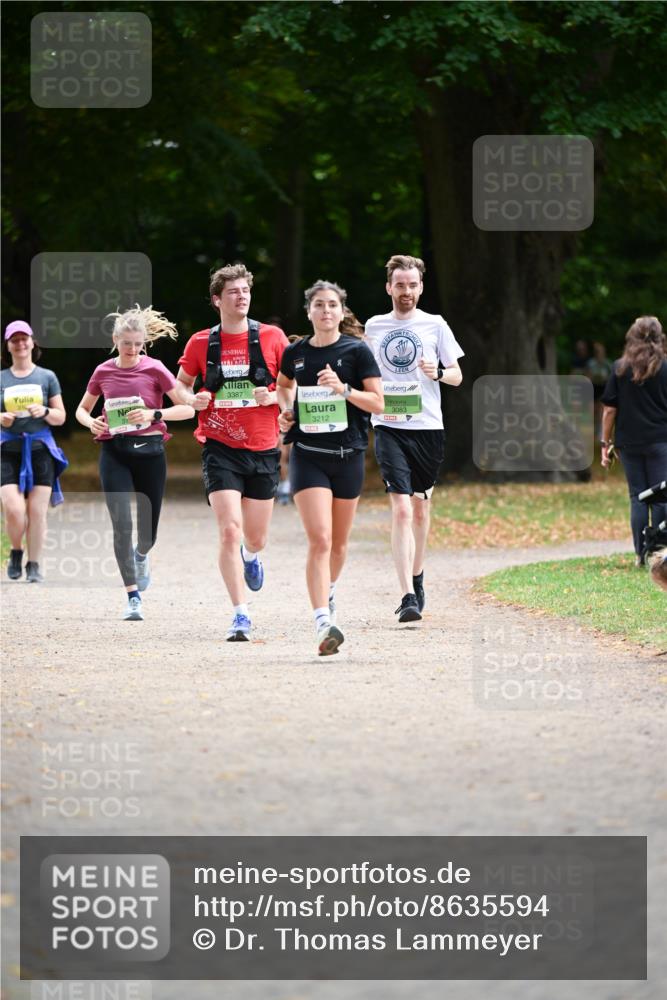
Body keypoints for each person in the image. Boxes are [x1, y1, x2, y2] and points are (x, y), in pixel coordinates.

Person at [176, 263, 289, 642]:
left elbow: (293, 386)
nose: (241, 297)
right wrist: (192, 399)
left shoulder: (272, 337)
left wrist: (272, 396)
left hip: (263, 447)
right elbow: (180, 386)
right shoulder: (200, 343)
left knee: (254, 538)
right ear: (216, 300)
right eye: (232, 292)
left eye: (245, 290)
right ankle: (241, 614)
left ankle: (252, 556)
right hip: (219, 446)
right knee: (229, 531)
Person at [276, 281, 383, 655]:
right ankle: (323, 621)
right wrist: (286, 411)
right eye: (319, 305)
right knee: (320, 539)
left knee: (338, 544)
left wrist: (343, 390)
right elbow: (284, 385)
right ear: (309, 311)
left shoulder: (357, 352)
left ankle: (329, 590)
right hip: (308, 455)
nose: (325, 311)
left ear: (341, 311)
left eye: (332, 305)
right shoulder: (296, 353)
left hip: (348, 456)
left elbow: (378, 403)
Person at [75, 306, 194, 620]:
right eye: (126, 343)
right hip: (114, 451)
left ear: (145, 342)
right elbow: (82, 409)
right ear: (115, 340)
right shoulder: (103, 371)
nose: (132, 349)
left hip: (150, 454)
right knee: (121, 525)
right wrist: (91, 422)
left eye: (138, 344)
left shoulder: (155, 369)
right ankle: (132, 597)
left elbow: (187, 410)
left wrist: (155, 414)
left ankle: (142, 554)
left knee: (147, 534)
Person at [364, 254, 463, 622]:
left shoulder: (435, 325)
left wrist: (437, 372)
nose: (406, 291)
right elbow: (362, 371)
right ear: (388, 288)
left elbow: (457, 375)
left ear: (421, 288)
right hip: (388, 425)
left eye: (412, 285)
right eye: (400, 285)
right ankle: (406, 594)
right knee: (402, 508)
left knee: (420, 509)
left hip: (427, 427)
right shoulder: (375, 326)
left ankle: (418, 576)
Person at [1, 320, 68, 582]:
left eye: (24, 338)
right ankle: (16, 550)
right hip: (7, 449)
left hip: (41, 450)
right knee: (14, 509)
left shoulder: (47, 377)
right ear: (8, 346)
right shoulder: (1, 378)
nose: (20, 343)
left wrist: (45, 411)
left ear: (32, 342)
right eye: (14, 340)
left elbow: (60, 417)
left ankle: (34, 564)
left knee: (37, 512)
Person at [601, 316, 667, 566]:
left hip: (628, 442)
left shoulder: (620, 368)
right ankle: (657, 554)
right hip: (661, 441)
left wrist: (605, 443)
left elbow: (609, 409)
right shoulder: (665, 367)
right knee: (660, 497)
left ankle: (640, 553)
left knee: (637, 497)